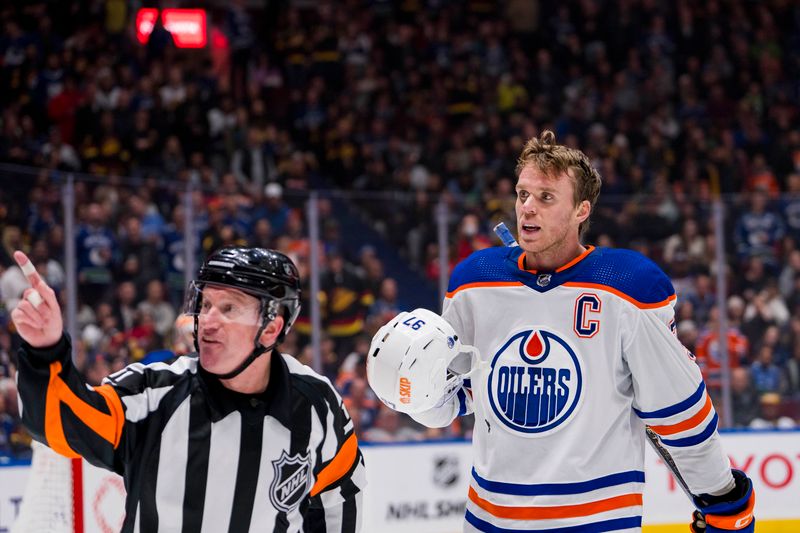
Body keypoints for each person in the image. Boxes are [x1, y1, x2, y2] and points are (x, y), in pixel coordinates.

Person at [367, 131, 755, 533]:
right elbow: (460, 399)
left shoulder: (627, 287)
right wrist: (414, 391)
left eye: (546, 198)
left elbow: (679, 413)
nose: (527, 209)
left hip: (598, 521)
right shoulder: (473, 283)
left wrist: (721, 496)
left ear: (581, 210)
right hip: (489, 520)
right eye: (522, 195)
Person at [11, 246, 365, 532]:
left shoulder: (318, 407)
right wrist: (47, 351)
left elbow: (339, 497)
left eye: (228, 308)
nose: (207, 321)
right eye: (206, 304)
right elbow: (59, 424)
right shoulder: (153, 393)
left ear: (271, 328)